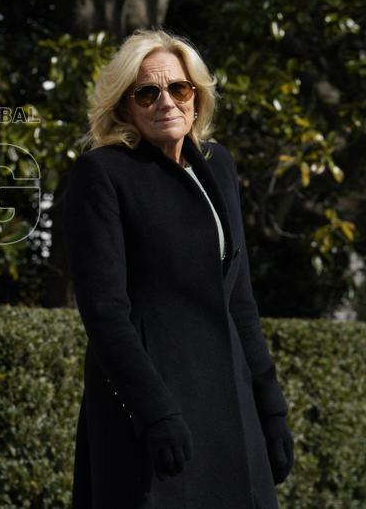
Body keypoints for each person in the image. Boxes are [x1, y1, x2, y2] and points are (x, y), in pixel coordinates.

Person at [63, 29, 294, 508]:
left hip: (230, 407)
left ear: (197, 96)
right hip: (153, 416)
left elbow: (240, 301)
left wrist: (272, 413)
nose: (165, 101)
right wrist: (156, 414)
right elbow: (105, 312)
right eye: (147, 92)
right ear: (125, 106)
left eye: (179, 88)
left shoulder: (219, 165)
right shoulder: (102, 173)